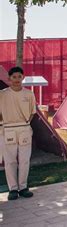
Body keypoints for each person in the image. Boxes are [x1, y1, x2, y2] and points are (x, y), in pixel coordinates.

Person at [0, 66, 36, 201]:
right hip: (8, 129)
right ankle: (13, 189)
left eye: (19, 77)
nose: (16, 80)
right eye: (13, 77)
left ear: (23, 77)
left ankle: (23, 187)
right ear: (9, 78)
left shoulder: (29, 94)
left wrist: (25, 124)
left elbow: (33, 112)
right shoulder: (2, 94)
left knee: (25, 159)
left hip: (24, 129)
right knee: (10, 161)